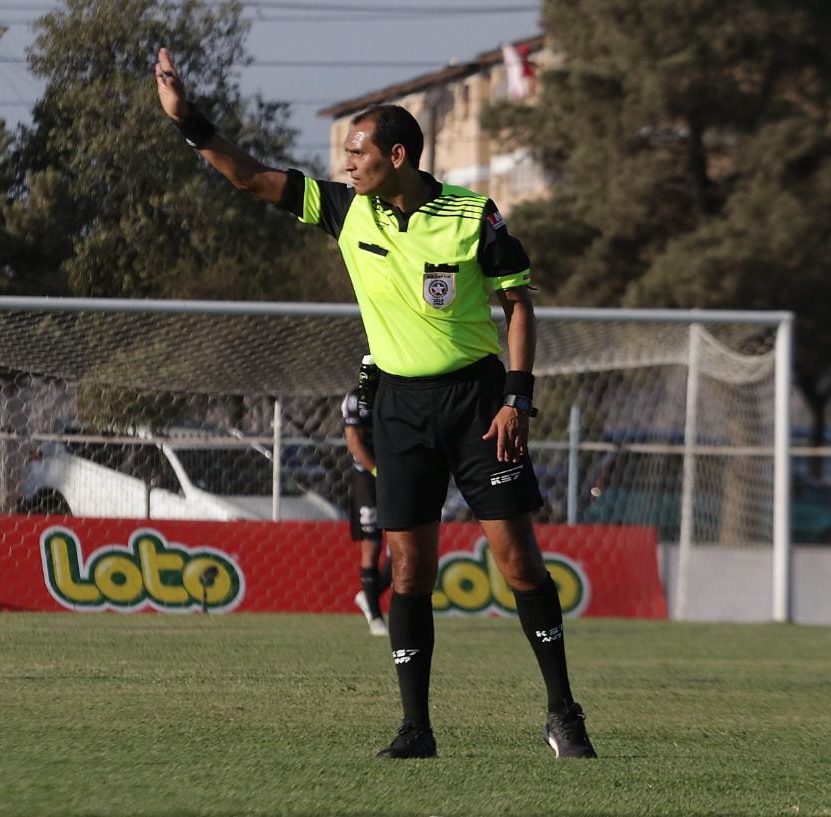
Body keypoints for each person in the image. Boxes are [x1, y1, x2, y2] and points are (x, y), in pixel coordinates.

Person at [155, 49, 596, 759]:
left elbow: (518, 307)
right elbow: (251, 177)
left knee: (517, 560)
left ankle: (562, 713)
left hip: (480, 403)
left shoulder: (472, 215)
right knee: (409, 569)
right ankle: (416, 729)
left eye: (357, 151)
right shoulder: (344, 209)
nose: (346, 162)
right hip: (398, 406)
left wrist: (518, 399)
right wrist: (188, 121)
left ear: (396, 154)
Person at [343, 359, 391, 637]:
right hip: (367, 478)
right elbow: (354, 441)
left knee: (401, 553)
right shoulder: (355, 399)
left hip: (395, 476)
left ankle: (369, 596)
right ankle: (374, 614)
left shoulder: (396, 393)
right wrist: (376, 470)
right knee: (372, 544)